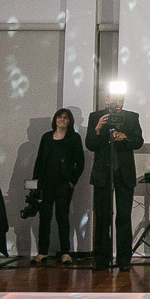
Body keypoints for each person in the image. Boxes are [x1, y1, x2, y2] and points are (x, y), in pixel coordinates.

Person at [86, 93, 144, 271]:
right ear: (106, 100)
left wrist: (124, 138)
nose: (118, 102)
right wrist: (97, 129)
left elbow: (139, 141)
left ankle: (124, 259)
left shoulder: (132, 117)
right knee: (103, 218)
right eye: (114, 98)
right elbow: (90, 144)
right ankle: (102, 259)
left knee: (124, 217)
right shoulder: (96, 117)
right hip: (103, 173)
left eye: (121, 98)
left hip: (124, 173)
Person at [31, 108, 85, 265]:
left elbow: (80, 162)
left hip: (63, 184)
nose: (62, 120)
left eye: (65, 118)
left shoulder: (73, 138)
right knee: (44, 218)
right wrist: (36, 182)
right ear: (55, 119)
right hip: (46, 183)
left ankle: (65, 252)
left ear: (70, 121)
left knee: (63, 217)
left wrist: (71, 181)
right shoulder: (46, 137)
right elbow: (39, 161)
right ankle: (42, 252)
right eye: (59, 117)